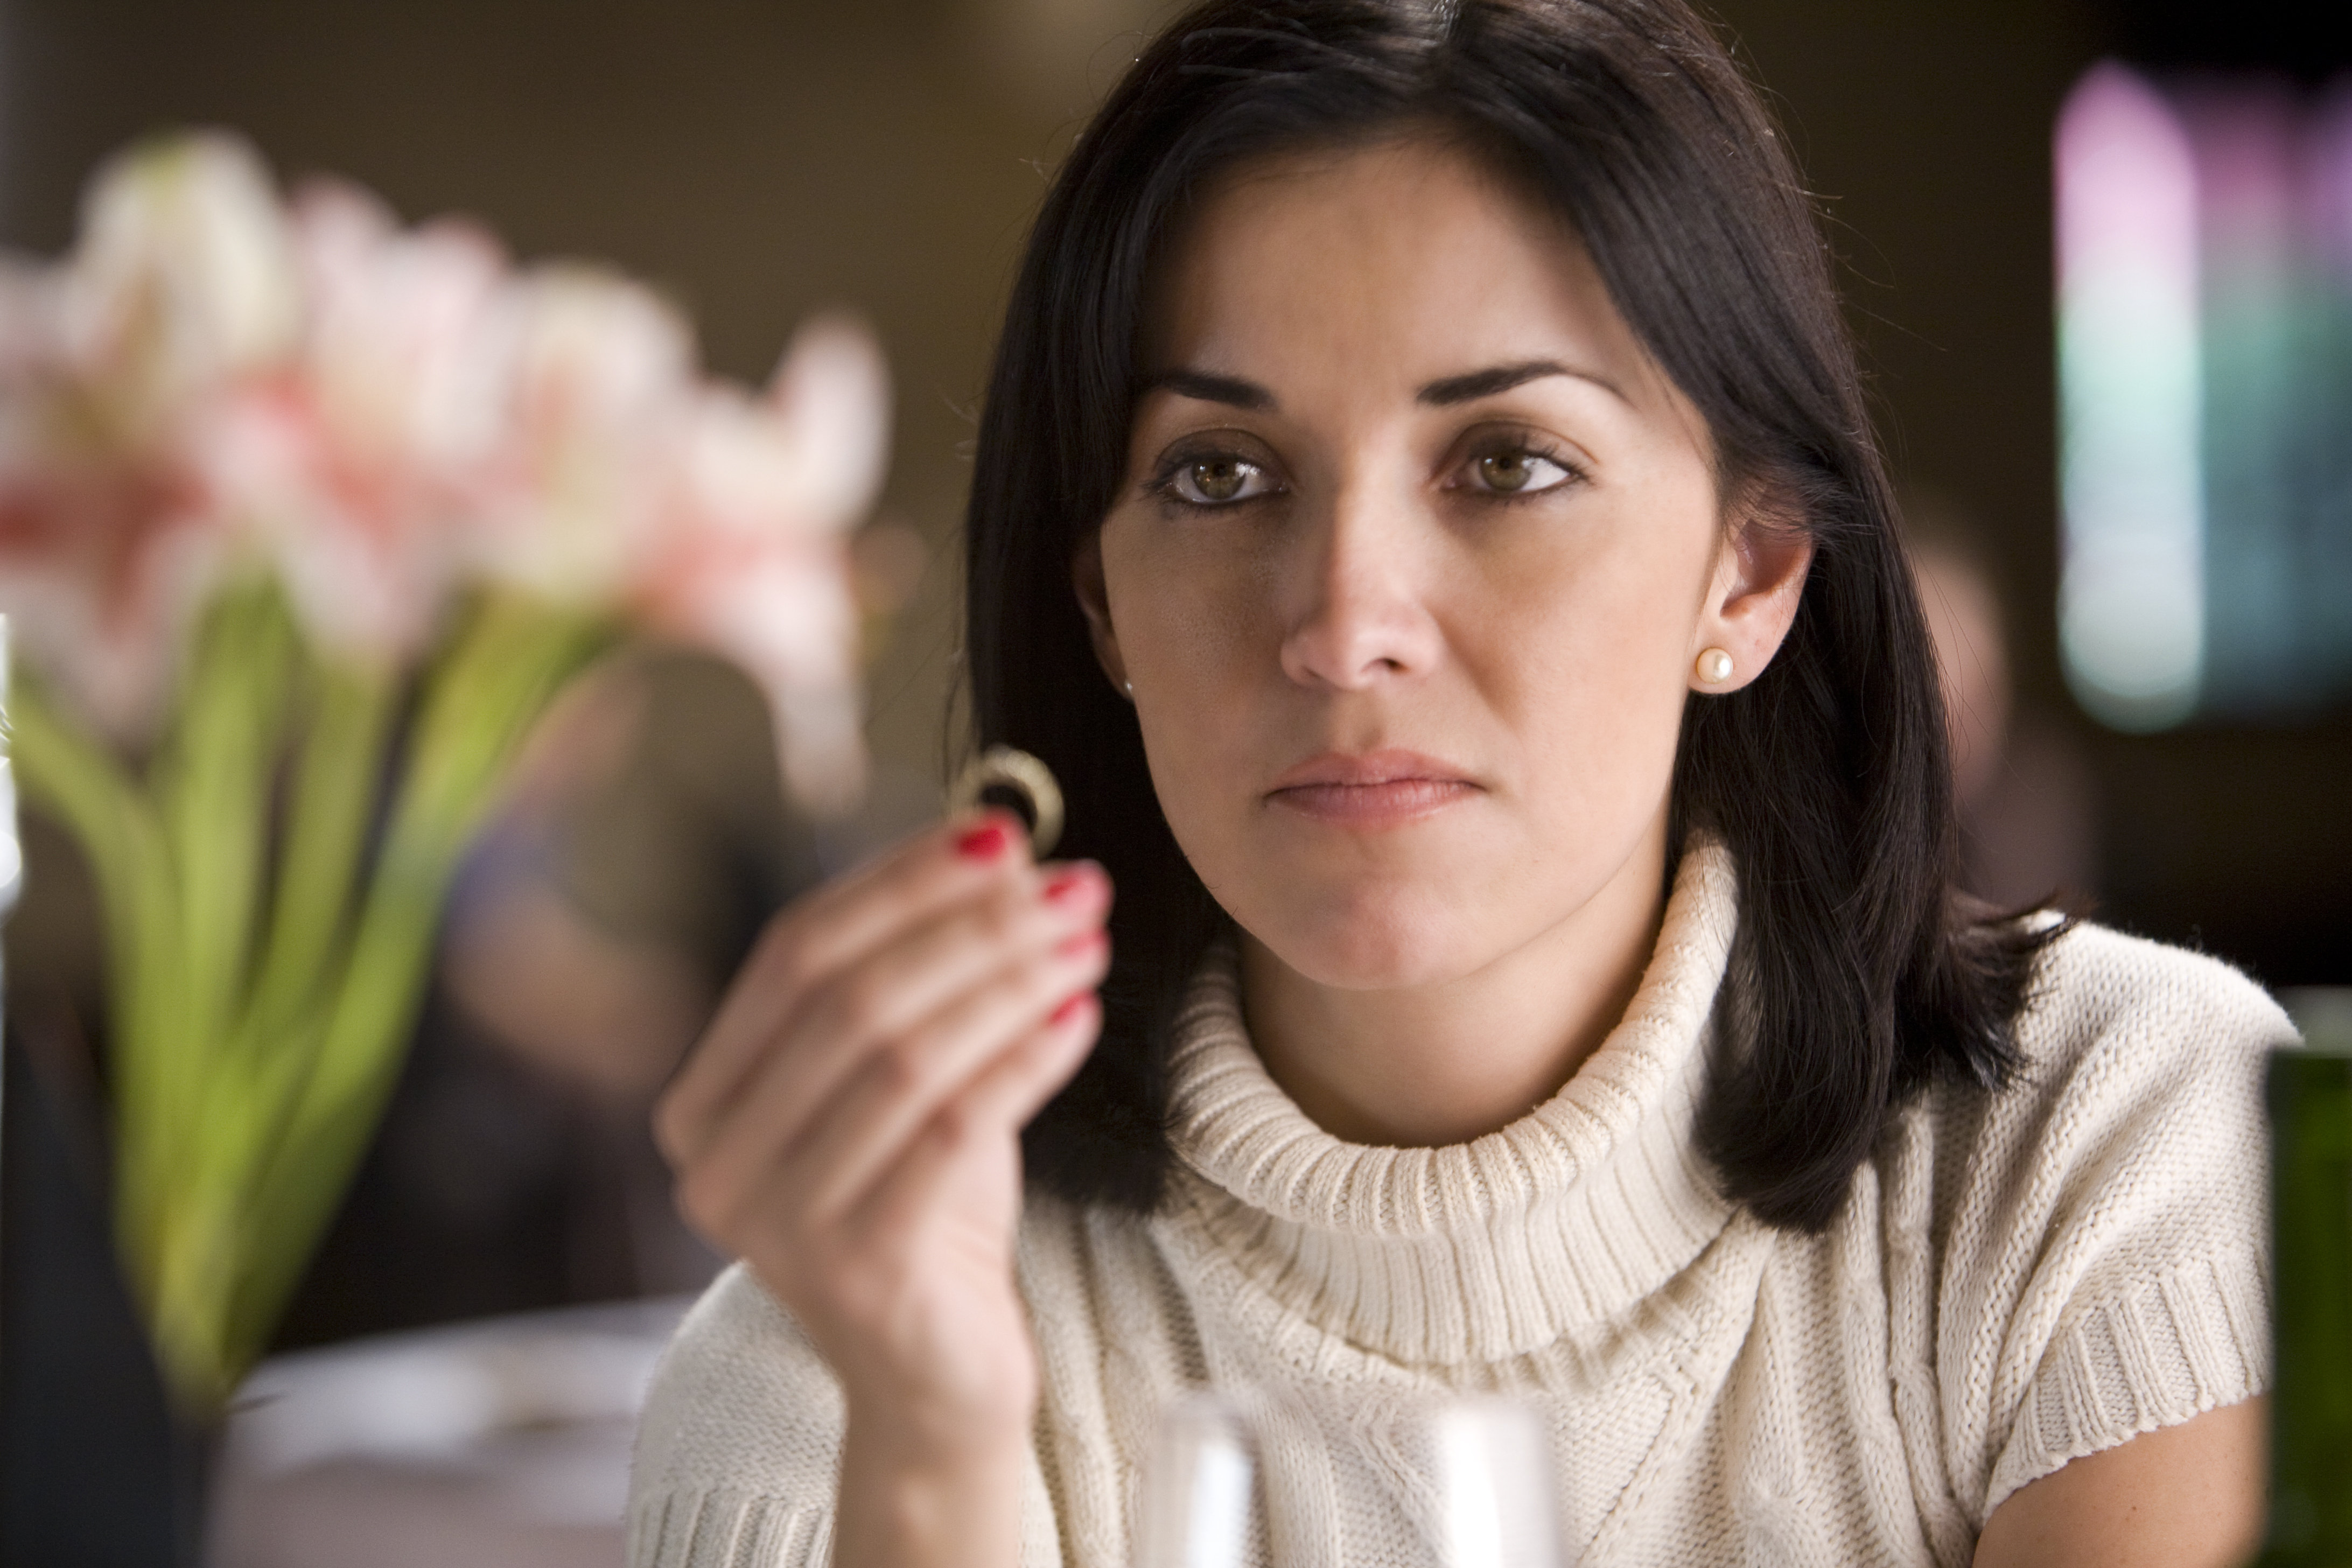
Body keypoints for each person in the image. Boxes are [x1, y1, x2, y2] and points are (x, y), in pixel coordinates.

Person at [627, 2, 2292, 1563]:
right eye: (1219, 475)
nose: (1347, 627)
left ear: (1754, 570)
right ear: (1099, 602)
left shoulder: (2129, 1149)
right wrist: (935, 1445)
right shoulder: (836, 1377)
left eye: (1509, 464)